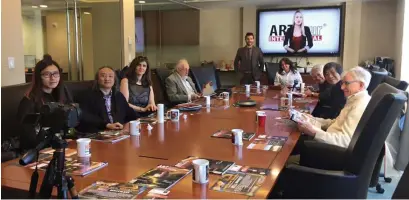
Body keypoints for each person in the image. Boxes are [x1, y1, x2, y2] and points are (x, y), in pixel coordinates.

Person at [297, 66, 372, 148]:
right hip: (328, 136)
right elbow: (336, 122)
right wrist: (313, 119)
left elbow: (346, 141)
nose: (342, 87)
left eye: (346, 83)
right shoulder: (354, 98)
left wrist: (314, 132)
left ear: (361, 85)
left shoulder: (360, 105)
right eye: (342, 83)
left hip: (330, 149)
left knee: (294, 141)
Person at [17, 54, 73, 151]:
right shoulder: (29, 100)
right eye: (47, 74)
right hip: (38, 149)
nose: (53, 78)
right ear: (39, 77)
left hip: (60, 144)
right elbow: (27, 134)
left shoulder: (62, 93)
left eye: (56, 73)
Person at [76, 66, 138, 133]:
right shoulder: (87, 95)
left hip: (118, 132)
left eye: (110, 76)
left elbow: (129, 111)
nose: (107, 79)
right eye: (103, 76)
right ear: (97, 79)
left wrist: (138, 120)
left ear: (114, 80)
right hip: (98, 133)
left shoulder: (118, 95)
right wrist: (107, 125)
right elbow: (85, 116)